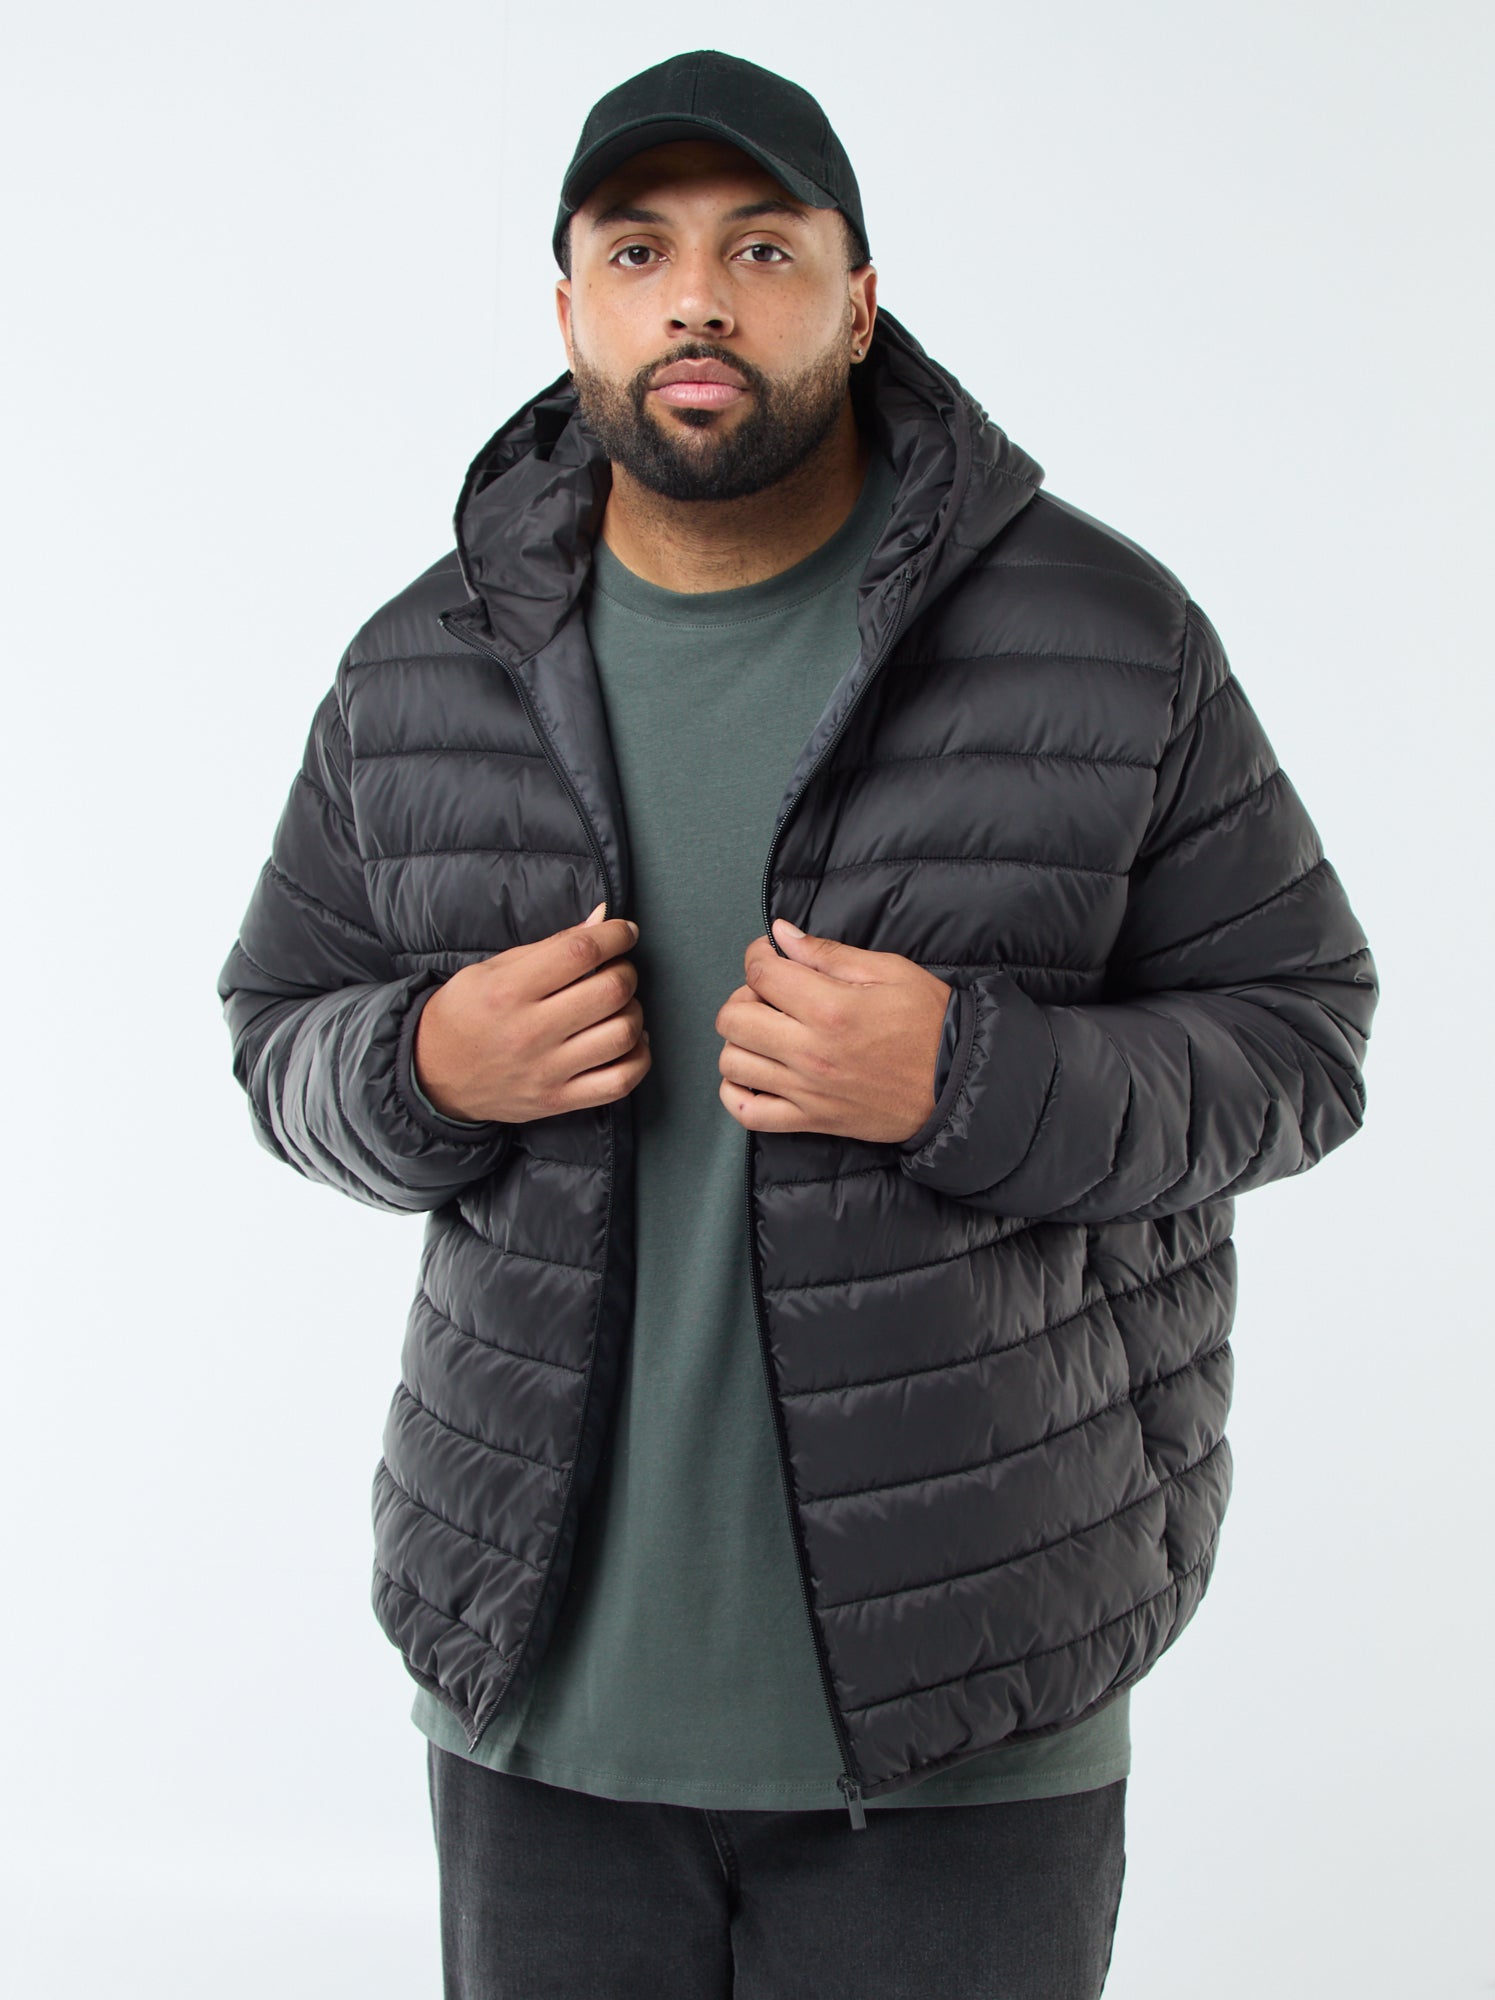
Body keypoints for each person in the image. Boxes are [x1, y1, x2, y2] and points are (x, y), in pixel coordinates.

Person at [216, 47, 1378, 2000]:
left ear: (857, 300)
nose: (697, 297)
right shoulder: (423, 666)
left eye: (761, 249)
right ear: (569, 309)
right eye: (639, 250)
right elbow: (278, 1033)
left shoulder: (1108, 637)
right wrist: (419, 1069)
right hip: (538, 1717)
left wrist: (975, 1078)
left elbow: (1301, 1040)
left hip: (968, 1712)